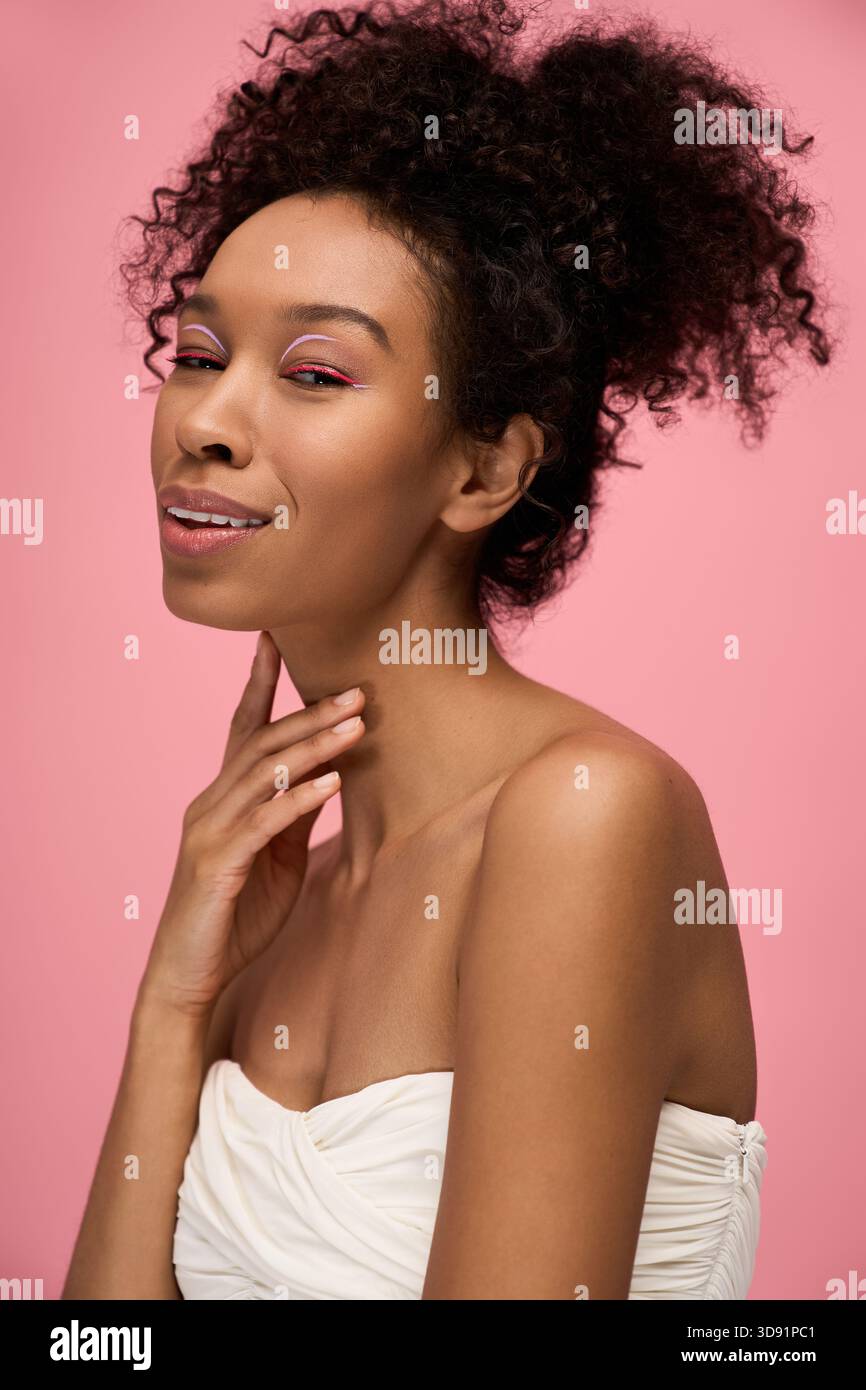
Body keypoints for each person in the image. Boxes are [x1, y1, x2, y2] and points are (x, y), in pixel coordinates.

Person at [63, 0, 829, 1299]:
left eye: (314, 374)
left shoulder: (584, 816)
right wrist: (167, 1014)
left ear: (485, 466)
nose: (205, 421)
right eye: (198, 353)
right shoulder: (263, 902)